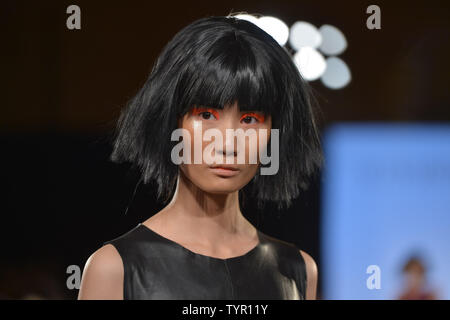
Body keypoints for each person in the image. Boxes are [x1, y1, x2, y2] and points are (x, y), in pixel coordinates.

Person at [78, 13, 324, 300]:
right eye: (206, 114)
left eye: (250, 119)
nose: (228, 143)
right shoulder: (115, 269)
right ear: (169, 120)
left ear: (275, 133)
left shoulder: (297, 271)